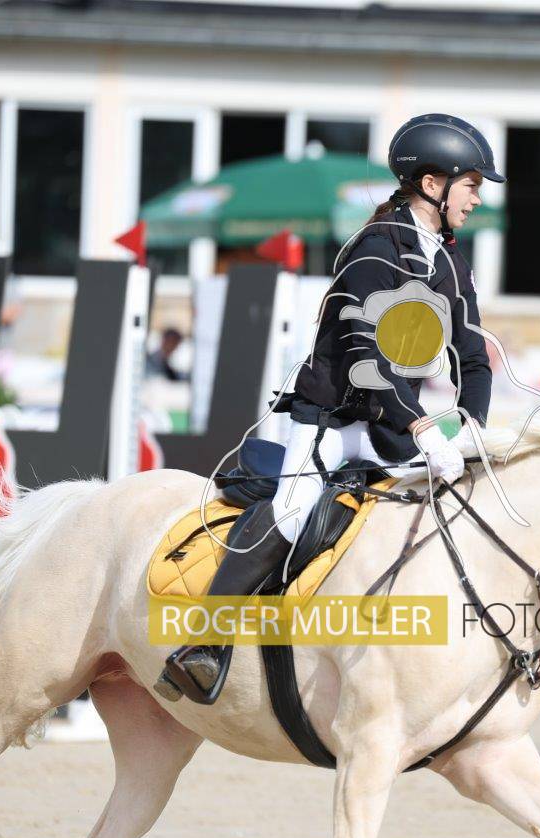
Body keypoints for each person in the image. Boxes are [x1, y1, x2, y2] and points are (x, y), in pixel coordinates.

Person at [159, 113, 502, 704]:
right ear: (431, 184)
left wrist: (472, 426)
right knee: (295, 512)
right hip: (333, 423)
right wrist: (422, 424)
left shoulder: (449, 258)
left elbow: (472, 354)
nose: (476, 199)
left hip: (393, 429)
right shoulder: (374, 251)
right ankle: (203, 643)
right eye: (470, 185)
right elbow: (366, 356)